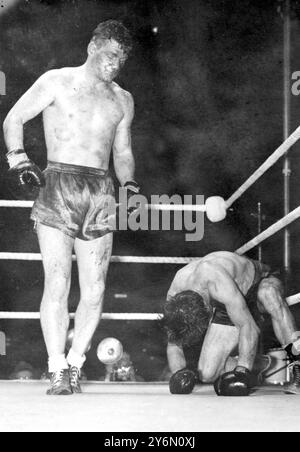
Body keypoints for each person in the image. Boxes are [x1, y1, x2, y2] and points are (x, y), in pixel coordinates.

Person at [3, 20, 140, 395]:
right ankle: (55, 366)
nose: (116, 64)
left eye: (123, 58)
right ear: (93, 47)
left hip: (100, 189)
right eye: (111, 54)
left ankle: (76, 363)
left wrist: (129, 185)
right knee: (58, 279)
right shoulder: (56, 81)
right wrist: (18, 160)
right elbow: (14, 118)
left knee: (95, 288)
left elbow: (123, 152)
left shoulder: (122, 99)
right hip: (58, 181)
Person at [163, 251, 300, 396]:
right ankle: (258, 363)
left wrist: (242, 371)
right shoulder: (174, 297)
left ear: (208, 309)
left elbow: (249, 327)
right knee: (207, 373)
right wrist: (178, 373)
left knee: (269, 293)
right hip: (229, 302)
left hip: (258, 282)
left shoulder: (213, 277)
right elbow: (173, 343)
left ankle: (298, 365)